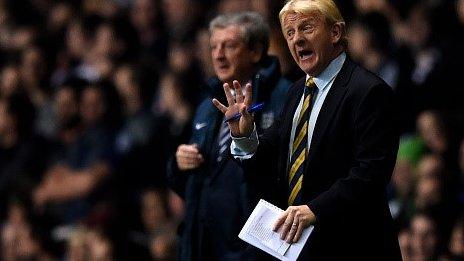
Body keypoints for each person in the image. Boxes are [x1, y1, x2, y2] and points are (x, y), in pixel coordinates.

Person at [213, 0, 401, 259]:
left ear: (336, 33)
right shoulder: (296, 92)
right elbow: (272, 159)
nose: (297, 40)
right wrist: (244, 135)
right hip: (299, 250)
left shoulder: (368, 91)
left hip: (354, 246)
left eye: (307, 28)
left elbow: (371, 173)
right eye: (290, 33)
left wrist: (314, 209)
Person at [167, 11, 291, 260]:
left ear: (255, 52)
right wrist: (179, 165)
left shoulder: (285, 98)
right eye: (213, 47)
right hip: (205, 246)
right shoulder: (207, 105)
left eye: (229, 46)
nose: (218, 55)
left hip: (256, 248)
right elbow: (194, 183)